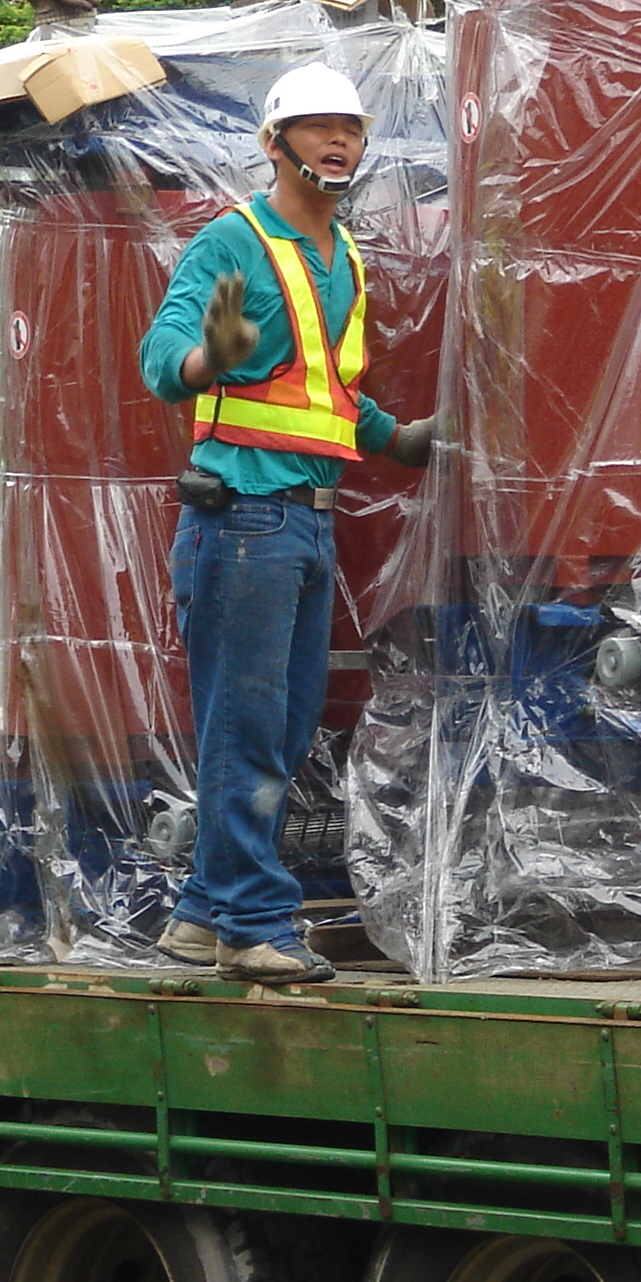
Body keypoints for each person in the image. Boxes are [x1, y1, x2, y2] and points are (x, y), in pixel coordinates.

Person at [139, 63, 436, 984]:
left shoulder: (341, 257)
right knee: (249, 729)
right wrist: (206, 358)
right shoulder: (239, 245)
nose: (337, 140)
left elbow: (329, 394)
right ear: (275, 146)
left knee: (284, 725)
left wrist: (405, 439)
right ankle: (252, 926)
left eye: (348, 126)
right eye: (314, 127)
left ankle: (200, 914)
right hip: (244, 524)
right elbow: (165, 355)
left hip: (306, 524)